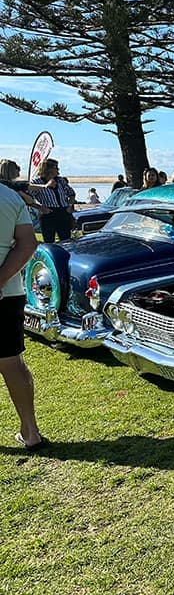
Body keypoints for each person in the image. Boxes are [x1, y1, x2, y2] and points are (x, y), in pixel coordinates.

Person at [0, 178, 44, 450]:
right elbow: (28, 244)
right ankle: (30, 432)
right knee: (11, 362)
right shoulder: (10, 196)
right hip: (8, 291)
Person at [29, 158, 76, 243]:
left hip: (63, 212)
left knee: (66, 240)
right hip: (48, 213)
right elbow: (27, 198)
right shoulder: (37, 182)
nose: (58, 170)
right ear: (48, 169)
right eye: (56, 168)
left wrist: (69, 206)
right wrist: (40, 207)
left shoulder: (60, 180)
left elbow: (71, 193)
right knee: (49, 241)